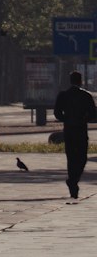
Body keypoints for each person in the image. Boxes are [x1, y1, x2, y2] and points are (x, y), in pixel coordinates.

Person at [54, 71, 97, 199]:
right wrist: (84, 119)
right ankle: (73, 181)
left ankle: (72, 182)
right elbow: (94, 114)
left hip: (68, 131)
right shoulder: (86, 96)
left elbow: (57, 113)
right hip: (81, 131)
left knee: (71, 158)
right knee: (82, 158)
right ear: (81, 81)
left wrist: (66, 120)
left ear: (70, 81)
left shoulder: (63, 95)